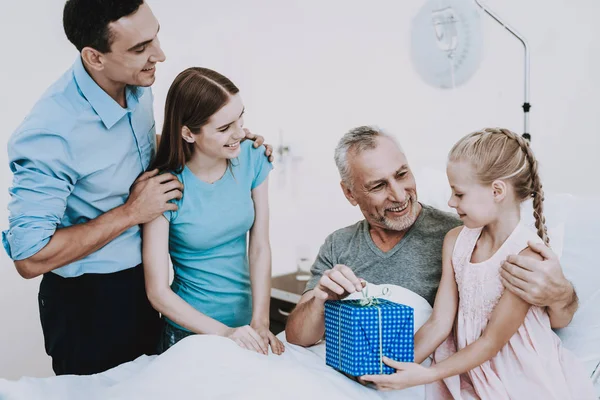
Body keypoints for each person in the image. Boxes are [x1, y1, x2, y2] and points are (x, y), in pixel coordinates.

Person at [2, 0, 271, 375]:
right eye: (140, 48)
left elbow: (131, 150)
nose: (159, 55)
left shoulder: (137, 83)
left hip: (145, 290)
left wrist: (226, 140)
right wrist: (131, 212)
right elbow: (29, 257)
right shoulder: (51, 132)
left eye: (155, 37)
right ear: (95, 57)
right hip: (90, 303)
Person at [285, 126, 578, 352]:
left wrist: (562, 295)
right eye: (378, 186)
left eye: (402, 175)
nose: (399, 195)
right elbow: (298, 337)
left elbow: (542, 321)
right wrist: (322, 298)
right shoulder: (339, 244)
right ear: (350, 193)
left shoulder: (462, 235)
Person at [360, 128, 595, 399]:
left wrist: (429, 374)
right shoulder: (455, 241)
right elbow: (439, 322)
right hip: (466, 365)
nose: (450, 202)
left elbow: (492, 341)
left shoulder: (526, 258)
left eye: (459, 194)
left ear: (497, 191)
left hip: (518, 374)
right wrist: (393, 366)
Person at [143, 67, 284, 357]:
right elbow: (157, 292)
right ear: (188, 133)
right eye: (224, 128)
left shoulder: (253, 158)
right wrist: (226, 334)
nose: (240, 133)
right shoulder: (165, 186)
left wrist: (260, 321)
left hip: (247, 326)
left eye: (240, 118)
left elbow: (259, 247)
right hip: (189, 333)